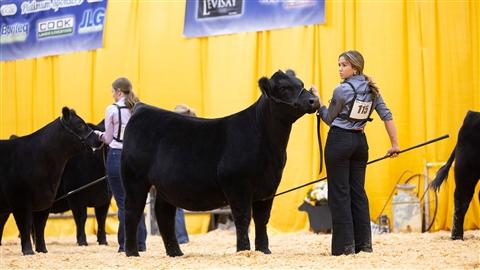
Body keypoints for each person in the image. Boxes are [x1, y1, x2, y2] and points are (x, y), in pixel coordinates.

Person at [312, 50, 400, 256]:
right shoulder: (372, 90)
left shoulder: (341, 90)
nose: (340, 69)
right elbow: (387, 115)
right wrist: (395, 144)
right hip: (360, 143)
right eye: (339, 65)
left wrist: (318, 101)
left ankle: (345, 247)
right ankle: (364, 244)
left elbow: (328, 118)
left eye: (344, 65)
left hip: (340, 141)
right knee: (358, 192)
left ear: (355, 68)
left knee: (340, 193)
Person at [94, 77, 147, 253]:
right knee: (137, 200)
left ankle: (126, 244)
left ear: (118, 91)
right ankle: (140, 242)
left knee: (123, 203)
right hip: (136, 158)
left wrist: (97, 135)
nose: (112, 95)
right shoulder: (138, 108)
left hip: (117, 156)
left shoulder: (112, 109)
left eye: (112, 91)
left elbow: (108, 139)